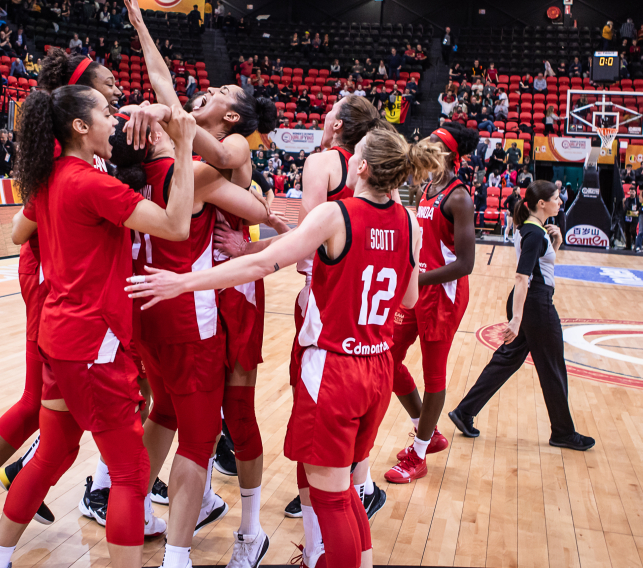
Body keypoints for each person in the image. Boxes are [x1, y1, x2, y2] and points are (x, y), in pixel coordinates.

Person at [126, 127, 436, 568]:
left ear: (362, 166)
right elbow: (407, 298)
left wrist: (183, 281)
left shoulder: (336, 214)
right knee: (345, 488)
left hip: (334, 368)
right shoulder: (408, 221)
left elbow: (258, 263)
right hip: (379, 366)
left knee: (329, 499)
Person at [0, 84, 196, 568]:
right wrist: (184, 145)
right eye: (106, 114)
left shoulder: (51, 176)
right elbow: (177, 225)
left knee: (51, 455)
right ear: (80, 127)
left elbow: (18, 233)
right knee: (132, 474)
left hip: (59, 337)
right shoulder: (92, 184)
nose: (114, 121)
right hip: (93, 345)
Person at [0, 47, 126, 561]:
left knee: (63, 410)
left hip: (68, 282)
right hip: (53, 280)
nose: (117, 91)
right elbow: (20, 229)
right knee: (40, 403)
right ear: (81, 102)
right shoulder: (64, 159)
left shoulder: (90, 145)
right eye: (107, 86)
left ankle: (20, 478)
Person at [125, 2, 279, 565]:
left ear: (234, 117)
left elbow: (256, 205)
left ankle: (246, 527)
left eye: (219, 93)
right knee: (177, 413)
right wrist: (143, 33)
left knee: (228, 417)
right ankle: (184, 513)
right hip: (186, 294)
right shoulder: (181, 155)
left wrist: (161, 111)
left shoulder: (233, 149)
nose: (207, 91)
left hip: (227, 292)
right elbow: (257, 205)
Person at [450, 180, 595, 452]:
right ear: (542, 204)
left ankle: (464, 411)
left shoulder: (533, 229)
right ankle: (563, 432)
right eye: (556, 198)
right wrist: (516, 319)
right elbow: (522, 276)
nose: (560, 202)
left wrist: (557, 243)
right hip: (536, 305)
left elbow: (541, 269)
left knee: (506, 361)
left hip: (532, 302)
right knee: (552, 367)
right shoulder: (533, 234)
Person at [386, 122, 478, 484]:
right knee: (387, 356)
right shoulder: (427, 187)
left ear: (448, 155)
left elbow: (465, 264)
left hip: (444, 294)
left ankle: (419, 454)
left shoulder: (459, 197)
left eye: (432, 144)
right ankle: (426, 429)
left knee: (433, 375)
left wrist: (415, 278)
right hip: (418, 288)